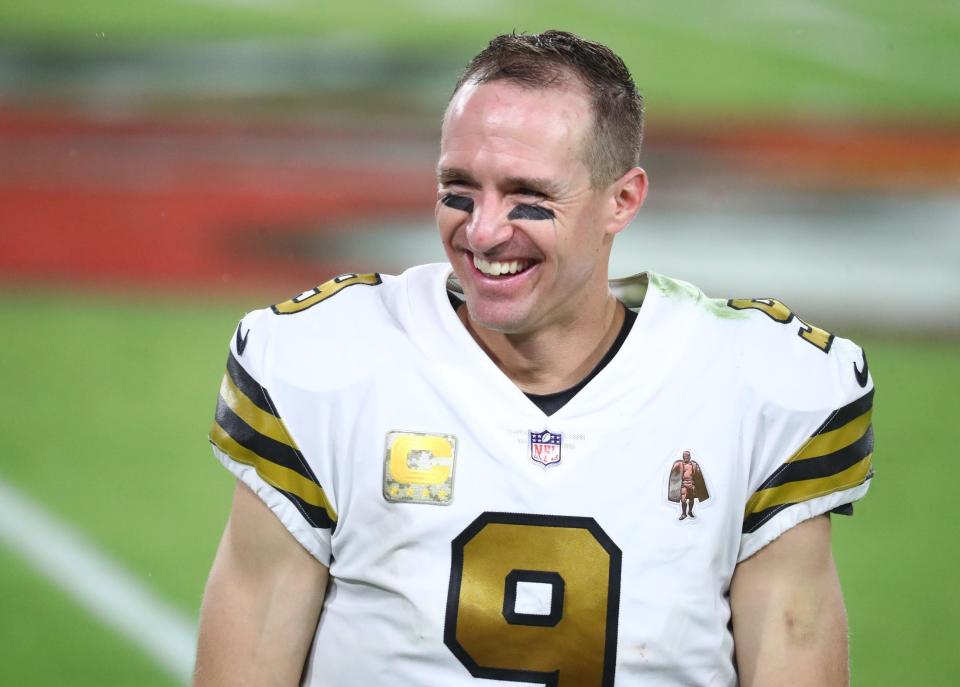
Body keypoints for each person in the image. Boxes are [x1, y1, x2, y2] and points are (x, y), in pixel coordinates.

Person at [194, 30, 874, 687]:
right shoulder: (328, 365)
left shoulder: (754, 387)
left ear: (622, 200)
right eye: (459, 188)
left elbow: (792, 645)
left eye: (529, 197)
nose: (484, 230)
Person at [668, 450, 709, 520]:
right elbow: (674, 475)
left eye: (687, 456)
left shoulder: (694, 465)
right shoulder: (679, 464)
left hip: (691, 485)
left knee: (691, 499)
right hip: (683, 485)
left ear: (690, 456)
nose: (685, 457)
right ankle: (684, 513)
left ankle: (690, 511)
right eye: (684, 456)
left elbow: (698, 475)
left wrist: (696, 485)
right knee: (683, 500)